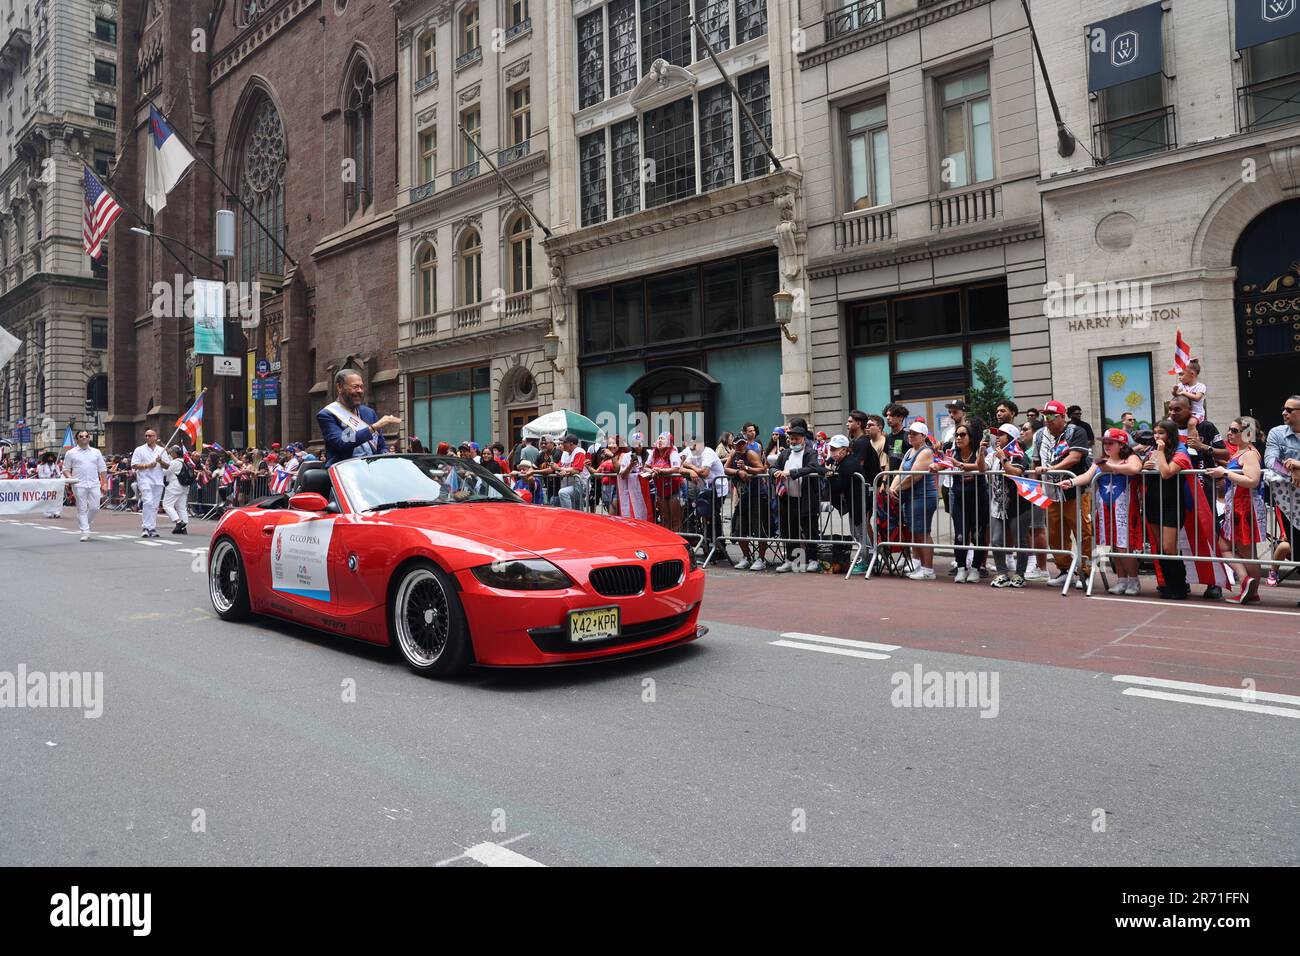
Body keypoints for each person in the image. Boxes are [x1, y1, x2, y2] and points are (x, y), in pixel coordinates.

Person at [1061, 428, 1144, 595]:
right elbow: (1087, 476)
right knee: (1112, 546)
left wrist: (1110, 467)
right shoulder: (1100, 461)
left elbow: (1135, 469)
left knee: (1123, 547)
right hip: (1104, 509)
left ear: (1121, 444)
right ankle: (1121, 580)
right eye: (1105, 443)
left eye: (1110, 443)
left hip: (1125, 509)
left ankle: (1134, 580)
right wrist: (1070, 482)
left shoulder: (1130, 457)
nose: (1106, 446)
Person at [1167, 394, 1227, 599]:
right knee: (1180, 537)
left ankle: (1214, 582)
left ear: (1190, 410)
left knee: (1208, 534)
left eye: (1177, 410)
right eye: (1170, 410)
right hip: (1175, 490)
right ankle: (1180, 581)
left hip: (1203, 489)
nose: (1172, 413)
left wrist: (1202, 447)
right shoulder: (1169, 430)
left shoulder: (1206, 427)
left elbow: (1224, 453)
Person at [1032, 400, 1092, 586]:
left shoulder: (1076, 431)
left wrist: (1051, 468)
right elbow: (1035, 462)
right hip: (1051, 493)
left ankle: (1085, 572)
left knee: (1082, 532)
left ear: (1062, 417)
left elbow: (1075, 457)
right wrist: (1038, 483)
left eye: (1051, 416)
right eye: (1045, 416)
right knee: (1055, 534)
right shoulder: (1040, 435)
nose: (1047, 420)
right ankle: (1065, 570)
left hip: (1076, 491)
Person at [1207, 417, 1266, 605]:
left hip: (1245, 507)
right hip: (1238, 507)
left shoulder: (1249, 453)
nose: (1230, 433)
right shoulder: (1240, 452)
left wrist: (1224, 473)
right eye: (1230, 429)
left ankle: (1250, 589)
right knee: (1225, 546)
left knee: (1245, 552)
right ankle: (1247, 583)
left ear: (1247, 433)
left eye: (1234, 430)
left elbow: (1252, 480)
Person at [978, 422, 1034, 587]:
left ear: (1010, 438)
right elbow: (981, 469)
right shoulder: (993, 454)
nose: (997, 438)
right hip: (997, 505)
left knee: (1020, 541)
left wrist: (1003, 457)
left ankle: (1020, 574)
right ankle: (1002, 573)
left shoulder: (1019, 454)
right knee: (996, 540)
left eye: (1001, 435)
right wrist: (981, 452)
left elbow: (1015, 472)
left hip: (1018, 506)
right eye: (997, 434)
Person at [317, 368, 399, 466]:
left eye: (361, 387)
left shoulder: (369, 412)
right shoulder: (327, 414)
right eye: (355, 387)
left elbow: (380, 445)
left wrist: (385, 454)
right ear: (339, 387)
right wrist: (373, 428)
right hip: (344, 471)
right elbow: (342, 442)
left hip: (371, 469)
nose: (360, 391)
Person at [938, 419, 987, 582]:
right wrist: (935, 466)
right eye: (956, 435)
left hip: (979, 498)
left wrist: (979, 453)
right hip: (959, 498)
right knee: (960, 535)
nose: (958, 438)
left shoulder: (978, 452)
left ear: (970, 437)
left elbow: (981, 468)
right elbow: (943, 463)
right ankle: (961, 568)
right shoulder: (953, 453)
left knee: (978, 535)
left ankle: (975, 569)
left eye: (962, 435)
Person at [772, 424, 826, 573]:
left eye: (796, 438)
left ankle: (813, 559)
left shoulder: (811, 452)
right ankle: (792, 560)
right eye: (791, 439)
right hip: (787, 498)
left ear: (803, 439)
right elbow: (772, 467)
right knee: (789, 530)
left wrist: (791, 473)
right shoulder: (784, 454)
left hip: (806, 498)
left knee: (810, 529)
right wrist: (775, 472)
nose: (793, 441)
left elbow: (813, 467)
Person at [889, 421, 938, 580]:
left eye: (914, 433)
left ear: (923, 436)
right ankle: (918, 564)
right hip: (911, 497)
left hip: (923, 496)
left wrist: (897, 489)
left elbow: (914, 476)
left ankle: (928, 570)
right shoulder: (910, 450)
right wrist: (892, 487)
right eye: (909, 433)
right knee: (915, 532)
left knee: (922, 532)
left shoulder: (926, 452)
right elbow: (900, 472)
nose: (910, 436)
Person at [724, 434, 770, 570]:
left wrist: (747, 469)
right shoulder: (733, 453)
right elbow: (725, 469)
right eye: (738, 443)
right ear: (733, 445)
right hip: (743, 497)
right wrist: (738, 472)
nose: (741, 446)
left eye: (743, 443)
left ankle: (761, 559)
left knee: (759, 528)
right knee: (739, 529)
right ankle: (747, 557)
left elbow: (762, 469)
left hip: (757, 496)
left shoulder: (750, 454)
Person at [682, 435, 727, 557]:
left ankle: (720, 547)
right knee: (705, 516)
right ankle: (709, 545)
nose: (691, 447)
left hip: (717, 488)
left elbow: (705, 473)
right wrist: (691, 470)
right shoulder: (693, 452)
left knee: (712, 516)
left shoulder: (708, 453)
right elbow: (682, 466)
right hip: (705, 490)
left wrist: (691, 468)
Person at [62, 430, 107, 541]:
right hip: (78, 484)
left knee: (95, 507)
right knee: (82, 508)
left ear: (89, 438)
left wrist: (104, 482)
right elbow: (65, 469)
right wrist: (69, 478)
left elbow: (102, 469)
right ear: (77, 439)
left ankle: (84, 521)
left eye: (86, 436)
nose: (84, 438)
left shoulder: (96, 452)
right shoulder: (71, 453)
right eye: (81, 436)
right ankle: (85, 531)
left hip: (94, 483)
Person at [616, 432, 652, 521]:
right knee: (635, 515)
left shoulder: (650, 454)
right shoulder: (627, 456)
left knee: (649, 514)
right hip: (633, 492)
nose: (637, 447)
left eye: (639, 444)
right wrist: (630, 466)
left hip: (650, 490)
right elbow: (623, 476)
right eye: (635, 444)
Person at [161, 443, 190, 534]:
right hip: (184, 487)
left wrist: (159, 466)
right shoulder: (184, 461)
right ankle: (183, 526)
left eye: (171, 452)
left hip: (174, 486)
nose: (170, 454)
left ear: (175, 453)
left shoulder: (175, 462)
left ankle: (178, 522)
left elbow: (165, 472)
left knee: (167, 505)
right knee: (181, 507)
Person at [555, 434, 589, 510]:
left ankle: (568, 516)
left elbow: (577, 470)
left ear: (571, 443)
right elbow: (559, 467)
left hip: (580, 484)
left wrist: (561, 469)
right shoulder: (564, 453)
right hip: (570, 485)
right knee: (578, 511)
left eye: (564, 443)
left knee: (563, 493)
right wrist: (557, 469)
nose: (562, 444)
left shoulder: (579, 451)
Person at [1172, 358, 1207, 424]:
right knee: (1169, 421)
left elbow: (1197, 398)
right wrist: (1174, 390)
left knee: (1191, 424)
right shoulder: (1181, 385)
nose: (1179, 377)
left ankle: (1193, 434)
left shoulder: (1200, 386)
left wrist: (1184, 393)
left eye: (1181, 374)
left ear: (1192, 374)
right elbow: (1176, 395)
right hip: (1184, 413)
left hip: (1196, 414)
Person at [883, 404, 910, 470]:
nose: (888, 418)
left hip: (906, 476)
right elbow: (888, 461)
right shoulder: (888, 437)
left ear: (900, 417)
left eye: (891, 415)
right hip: (892, 477)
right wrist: (884, 479)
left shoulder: (908, 435)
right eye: (887, 415)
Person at [37, 451, 62, 519]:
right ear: (46, 458)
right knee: (47, 499)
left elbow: (59, 475)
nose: (50, 458)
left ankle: (56, 513)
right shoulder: (41, 466)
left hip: (54, 484)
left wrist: (56, 474)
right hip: (46, 484)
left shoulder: (56, 466)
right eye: (49, 457)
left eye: (51, 457)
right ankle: (48, 513)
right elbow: (40, 476)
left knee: (55, 498)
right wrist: (49, 475)